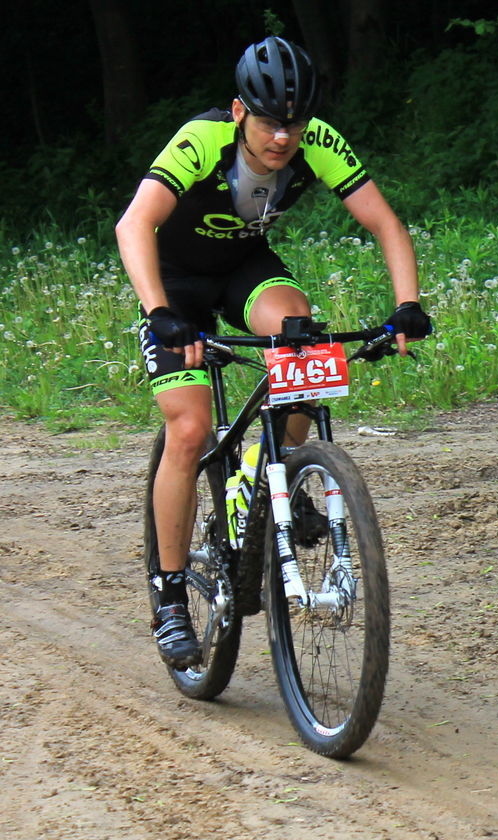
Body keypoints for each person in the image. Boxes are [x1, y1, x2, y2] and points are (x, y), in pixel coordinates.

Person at [116, 36, 431, 669]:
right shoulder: (202, 141)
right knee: (189, 428)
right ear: (239, 112)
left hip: (243, 269)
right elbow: (134, 224)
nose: (283, 138)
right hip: (175, 283)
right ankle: (171, 595)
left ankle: (279, 470)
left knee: (302, 336)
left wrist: (407, 305)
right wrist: (160, 314)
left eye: (293, 123)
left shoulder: (317, 141)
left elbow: (386, 225)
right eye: (268, 123)